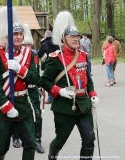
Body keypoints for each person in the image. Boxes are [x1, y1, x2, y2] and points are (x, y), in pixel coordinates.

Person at [39, 11, 99, 160]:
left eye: (77, 36)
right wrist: (59, 91)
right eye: (72, 36)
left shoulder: (83, 55)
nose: (76, 39)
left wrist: (92, 94)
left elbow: (88, 79)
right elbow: (44, 81)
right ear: (63, 38)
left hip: (83, 106)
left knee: (89, 139)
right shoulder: (56, 58)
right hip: (65, 108)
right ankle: (52, 156)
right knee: (60, 141)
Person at [0, 6, 40, 160]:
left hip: (23, 104)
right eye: (14, 34)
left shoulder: (28, 54)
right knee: (2, 146)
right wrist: (6, 106)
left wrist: (20, 68)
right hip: (3, 106)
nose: (18, 37)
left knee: (30, 144)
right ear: (8, 35)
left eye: (20, 34)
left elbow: (35, 79)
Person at [12, 23, 45, 154]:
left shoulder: (33, 55)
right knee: (16, 113)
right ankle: (15, 137)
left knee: (38, 114)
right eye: (24, 45)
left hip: (33, 89)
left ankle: (38, 140)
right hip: (20, 89)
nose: (26, 47)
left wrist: (40, 86)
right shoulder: (15, 55)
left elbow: (36, 73)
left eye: (28, 45)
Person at [37, 30, 60, 104]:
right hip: (57, 64)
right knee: (56, 80)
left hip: (48, 64)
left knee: (48, 81)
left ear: (45, 36)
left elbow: (39, 54)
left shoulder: (44, 44)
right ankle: (57, 95)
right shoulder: (57, 43)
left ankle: (50, 98)